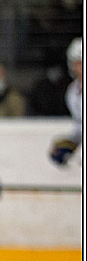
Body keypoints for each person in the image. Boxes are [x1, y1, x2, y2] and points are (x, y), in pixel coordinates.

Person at [49, 37, 82, 166]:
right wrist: (70, 143)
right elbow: (80, 127)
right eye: (78, 62)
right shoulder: (72, 92)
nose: (80, 66)